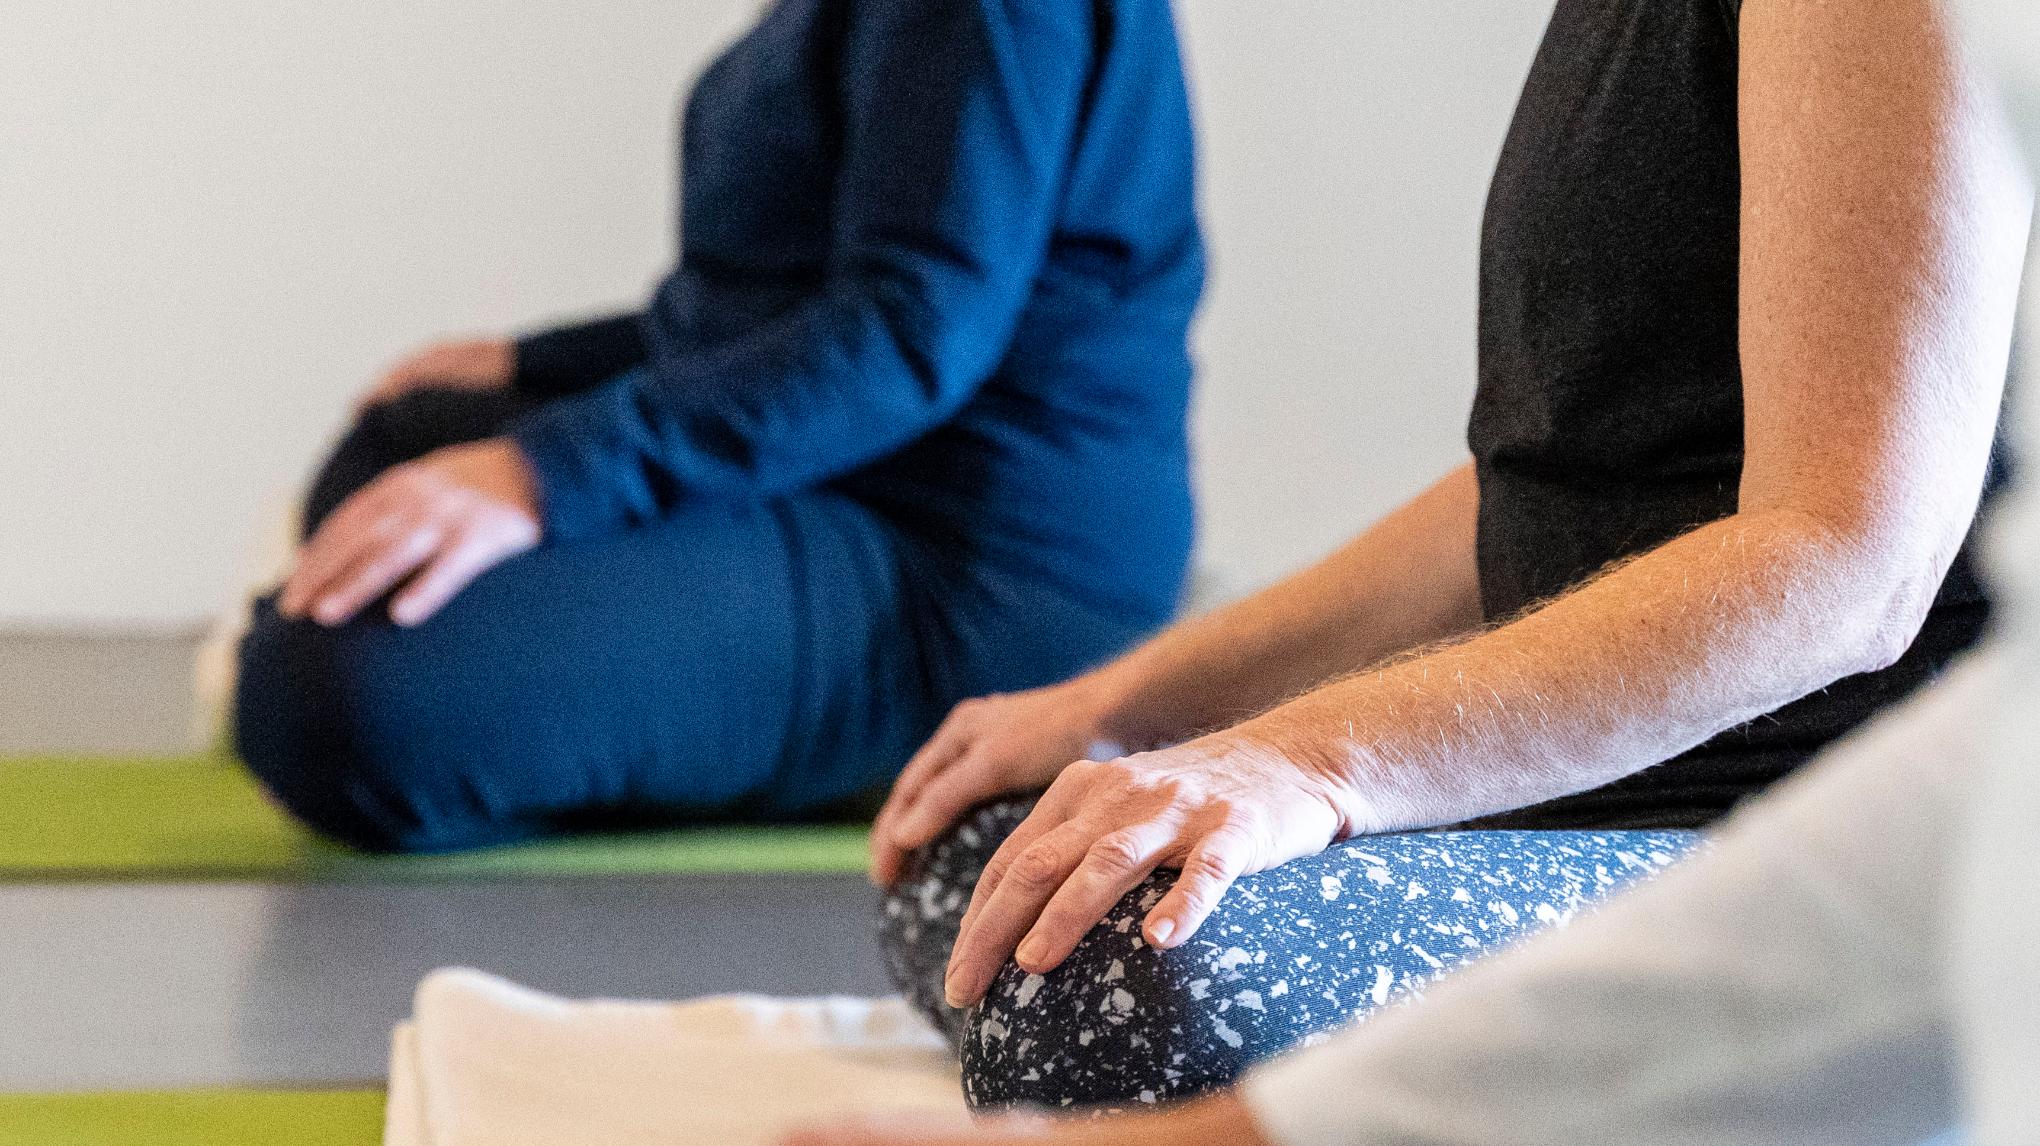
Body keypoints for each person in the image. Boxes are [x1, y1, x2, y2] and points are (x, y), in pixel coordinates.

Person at [868, 0, 2033, 1112]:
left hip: (1817, 828)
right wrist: (1124, 708)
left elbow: (1849, 560)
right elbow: (1551, 486)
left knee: (1106, 985)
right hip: (1564, 787)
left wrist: (1312, 763)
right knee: (993, 842)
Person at [231, 0, 1206, 854]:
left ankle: (876, 752)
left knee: (319, 698)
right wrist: (537, 366)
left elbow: (910, 335)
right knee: (404, 441)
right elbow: (782, 308)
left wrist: (544, 474)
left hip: (971, 567)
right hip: (849, 463)